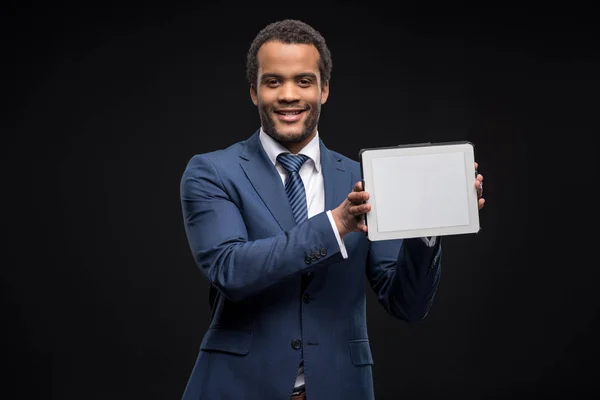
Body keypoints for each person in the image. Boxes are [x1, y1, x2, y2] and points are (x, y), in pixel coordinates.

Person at [179, 19, 485, 400]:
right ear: (254, 92)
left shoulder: (362, 178)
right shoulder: (212, 172)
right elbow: (230, 270)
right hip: (238, 388)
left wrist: (429, 223)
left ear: (324, 90)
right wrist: (336, 224)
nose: (289, 95)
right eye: (273, 81)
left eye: (304, 81)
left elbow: (406, 304)